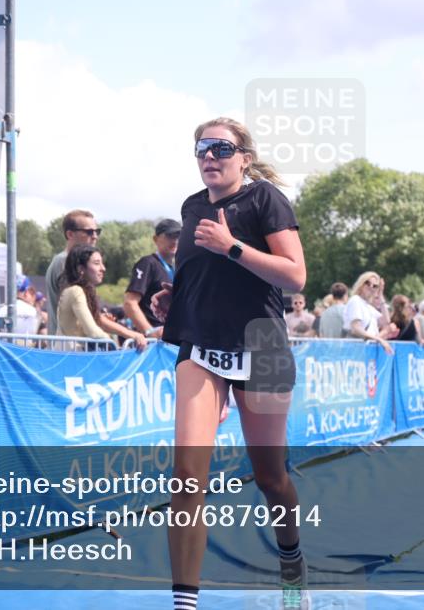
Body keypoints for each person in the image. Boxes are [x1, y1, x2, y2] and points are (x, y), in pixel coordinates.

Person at [151, 117, 309, 610]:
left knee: (271, 479)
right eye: (201, 148)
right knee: (186, 477)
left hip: (260, 347)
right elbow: (201, 277)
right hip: (200, 347)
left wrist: (234, 247)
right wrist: (172, 299)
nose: (209, 156)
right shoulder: (191, 207)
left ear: (244, 157)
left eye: (221, 147)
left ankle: (291, 561)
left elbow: (295, 276)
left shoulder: (265, 200)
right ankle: (185, 605)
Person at [57, 245, 147, 350]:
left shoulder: (79, 291)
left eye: (102, 263)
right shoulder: (76, 291)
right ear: (81, 268)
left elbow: (99, 321)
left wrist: (132, 335)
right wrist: (115, 348)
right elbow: (93, 331)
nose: (103, 268)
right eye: (96, 263)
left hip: (75, 358)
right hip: (73, 359)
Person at [45, 209, 100, 335]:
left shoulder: (70, 261)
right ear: (70, 234)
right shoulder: (64, 261)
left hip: (71, 347)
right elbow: (77, 309)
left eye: (97, 231)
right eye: (89, 232)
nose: (95, 236)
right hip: (66, 348)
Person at [124, 218, 181, 340]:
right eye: (170, 235)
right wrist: (150, 331)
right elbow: (130, 302)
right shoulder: (148, 263)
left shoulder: (177, 268)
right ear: (155, 239)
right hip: (153, 345)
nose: (175, 241)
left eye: (178, 236)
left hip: (170, 340)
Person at [343, 272, 394, 353]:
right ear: (361, 284)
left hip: (363, 351)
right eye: (367, 283)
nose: (370, 287)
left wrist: (380, 295)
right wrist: (379, 339)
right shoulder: (355, 300)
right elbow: (356, 328)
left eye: (375, 286)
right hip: (354, 350)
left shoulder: (368, 306)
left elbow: (386, 321)